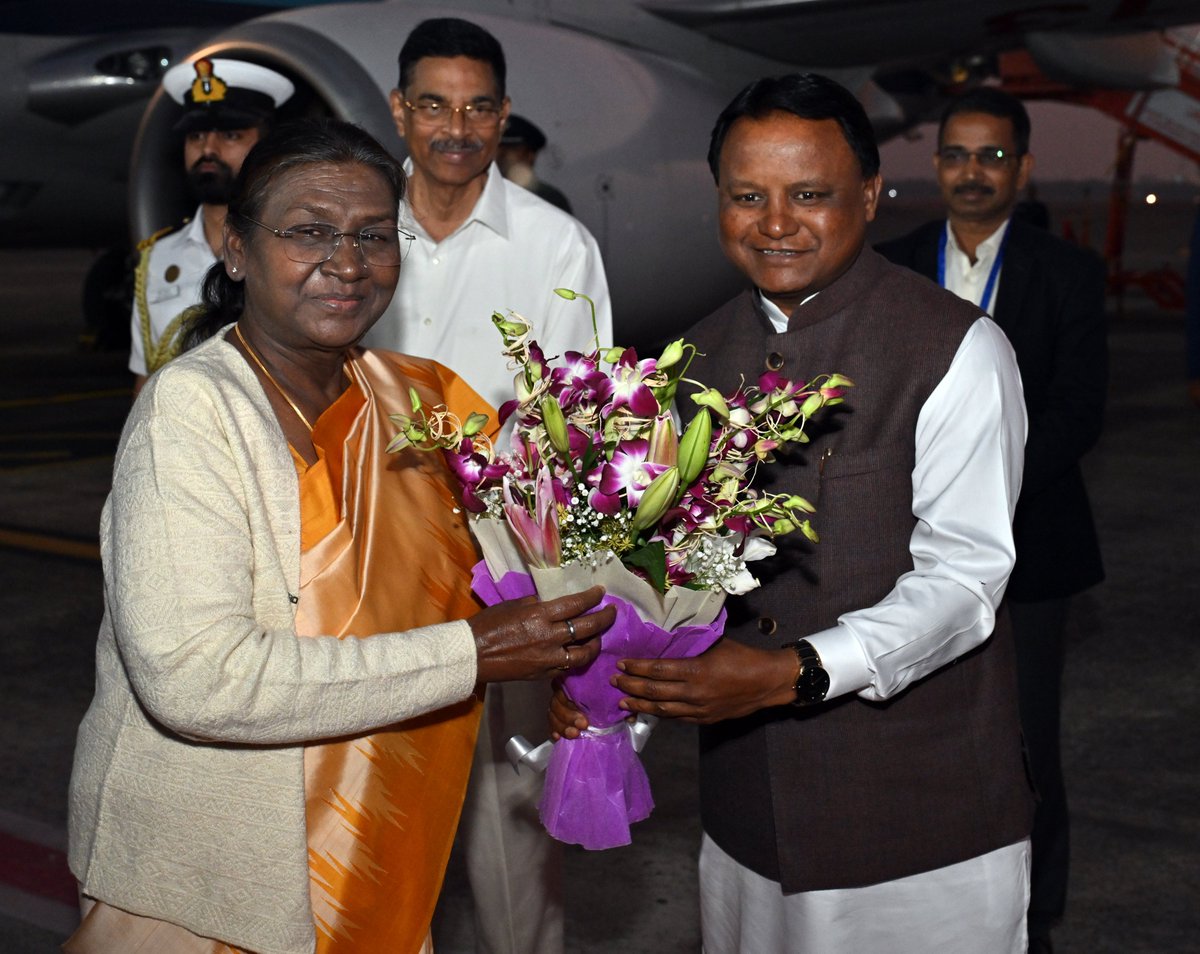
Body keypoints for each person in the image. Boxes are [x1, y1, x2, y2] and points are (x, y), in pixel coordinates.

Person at [66, 117, 614, 954]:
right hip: (217, 875)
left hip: (384, 833)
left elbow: (525, 567)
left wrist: (579, 660)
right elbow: (195, 680)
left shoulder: (423, 402)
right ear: (239, 251)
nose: (348, 263)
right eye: (309, 232)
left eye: (373, 235)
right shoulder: (191, 412)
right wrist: (475, 653)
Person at [555, 73, 1036, 952]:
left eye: (809, 194)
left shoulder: (957, 347)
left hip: (916, 820)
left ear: (869, 193)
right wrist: (611, 692)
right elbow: (671, 586)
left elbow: (968, 582)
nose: (776, 222)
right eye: (748, 196)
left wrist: (794, 673)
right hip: (745, 819)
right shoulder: (690, 362)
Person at [364, 18, 614, 954]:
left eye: (477, 107)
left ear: (503, 116)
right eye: (433, 103)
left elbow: (578, 433)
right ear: (400, 110)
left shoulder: (555, 247)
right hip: (365, 568)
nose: (455, 127)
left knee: (505, 828)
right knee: (369, 815)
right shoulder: (351, 226)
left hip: (498, 569)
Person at [877, 86, 1107, 954]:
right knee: (916, 733)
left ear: (1023, 167)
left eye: (993, 156)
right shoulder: (891, 267)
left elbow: (1077, 415)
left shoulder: (1068, 273)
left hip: (1033, 553)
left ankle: (1034, 917)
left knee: (1026, 745)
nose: (973, 173)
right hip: (902, 549)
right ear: (936, 165)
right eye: (957, 155)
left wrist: (971, 489)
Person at [129, 57, 293, 393]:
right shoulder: (157, 259)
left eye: (230, 135)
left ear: (266, 147)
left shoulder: (293, 250)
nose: (207, 150)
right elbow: (146, 381)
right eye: (197, 136)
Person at [496, 114, 573, 213]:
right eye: (497, 148)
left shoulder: (547, 198)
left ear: (530, 155)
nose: (502, 154)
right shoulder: (478, 193)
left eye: (512, 149)